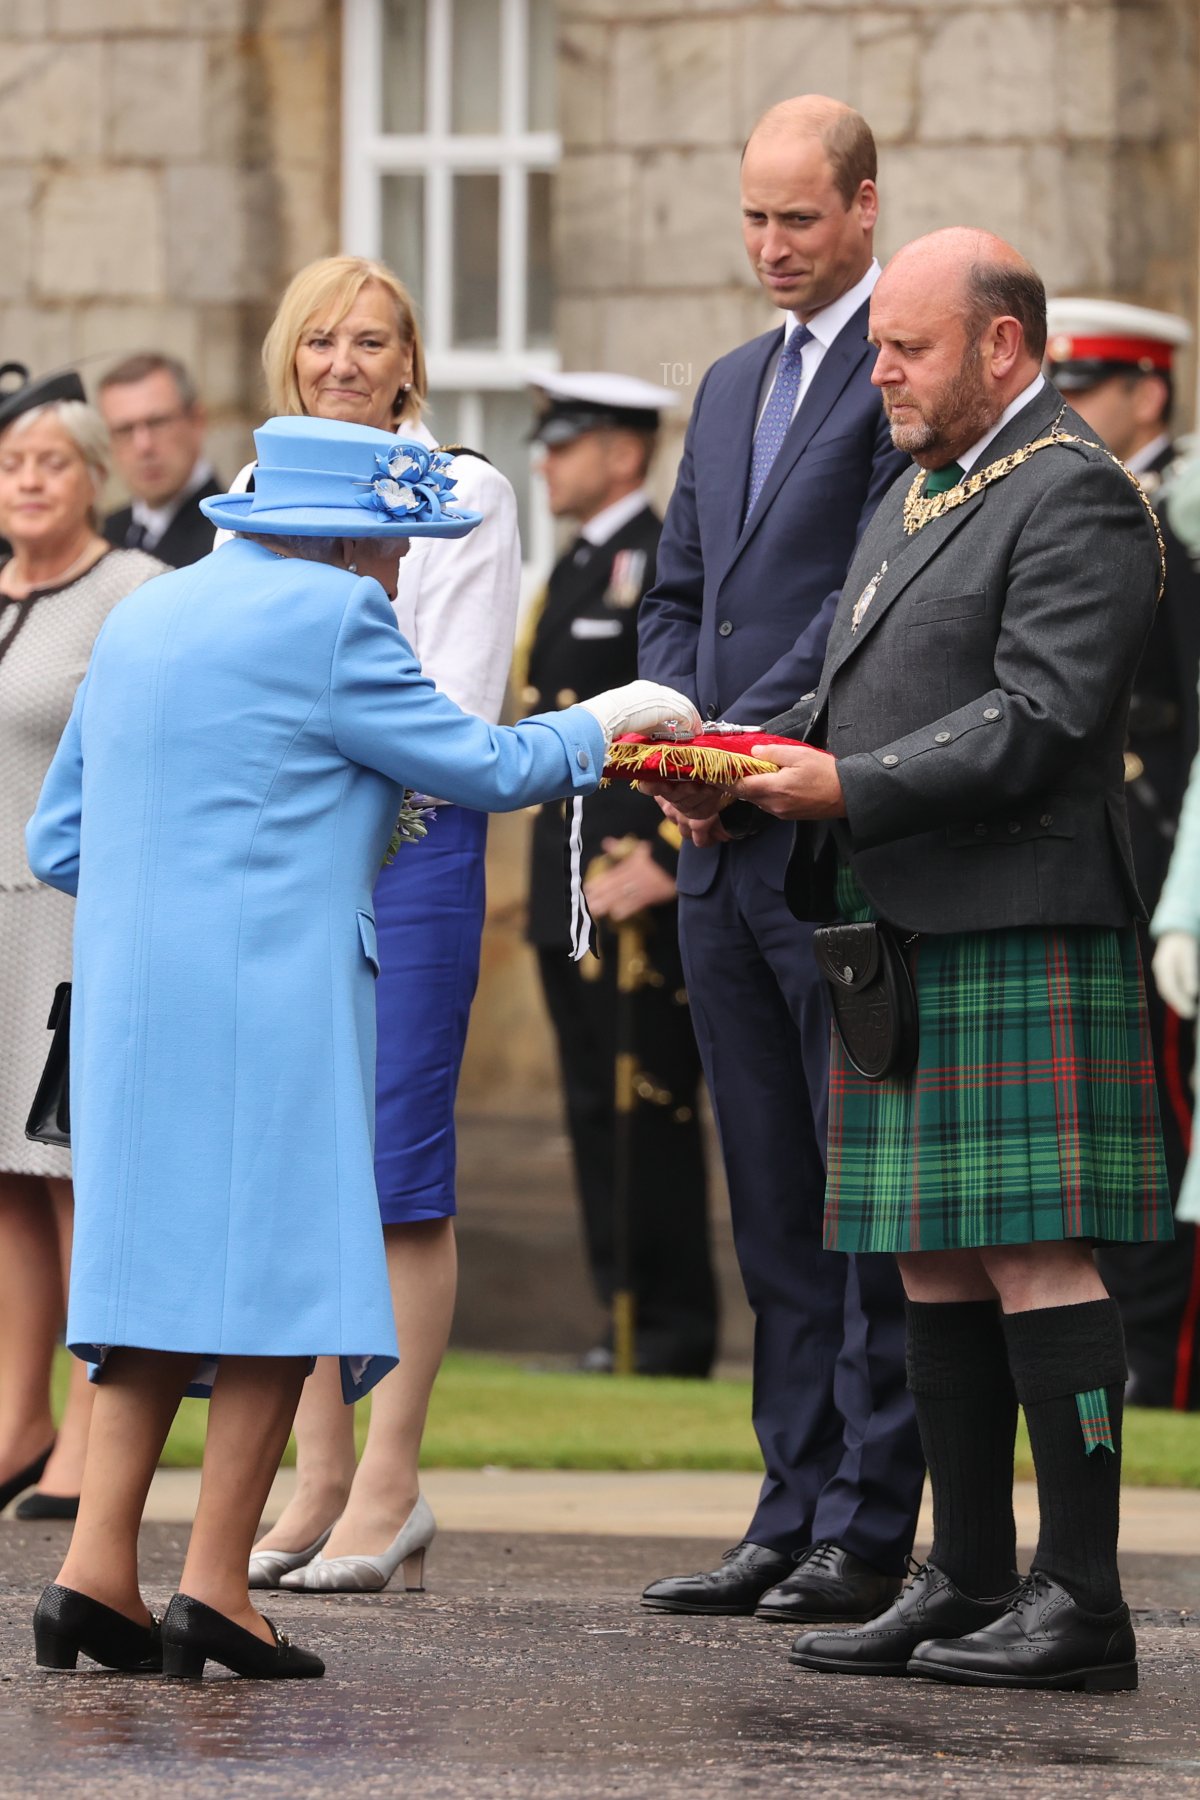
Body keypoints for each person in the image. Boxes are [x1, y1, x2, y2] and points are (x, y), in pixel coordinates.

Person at [24, 411, 697, 1680]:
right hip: (270, 999)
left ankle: (93, 1575)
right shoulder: (336, 618)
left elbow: (57, 845)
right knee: (287, 1291)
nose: (402, 572)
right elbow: (489, 766)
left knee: (147, 1287)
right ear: (339, 539)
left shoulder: (143, 616)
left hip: (128, 1006)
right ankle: (216, 1589)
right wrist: (620, 719)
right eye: (394, 546)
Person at [731, 227, 1170, 1691]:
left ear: (1002, 345)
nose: (881, 372)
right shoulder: (926, 491)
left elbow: (1041, 717)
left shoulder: (1078, 496)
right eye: (876, 347)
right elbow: (852, 684)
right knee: (932, 1256)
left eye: (906, 347)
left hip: (1024, 916)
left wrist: (844, 788)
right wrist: (744, 761)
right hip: (902, 920)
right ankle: (968, 1574)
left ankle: (1083, 1599)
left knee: (1037, 1252)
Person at [636, 95, 924, 1624]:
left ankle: (873, 1526)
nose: (769, 247)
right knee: (766, 1200)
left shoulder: (902, 372)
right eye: (752, 219)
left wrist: (735, 758)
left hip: (821, 846)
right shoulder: (733, 382)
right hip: (710, 851)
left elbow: (860, 603)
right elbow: (680, 591)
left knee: (854, 1199)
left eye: (797, 221)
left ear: (865, 208)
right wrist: (680, 750)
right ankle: (786, 1502)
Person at [217, 255, 525, 1596]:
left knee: (395, 1169)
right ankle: (319, 1472)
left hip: (408, 847)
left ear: (411, 363)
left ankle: (391, 1478)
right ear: (290, 360)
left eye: (372, 341)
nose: (344, 361)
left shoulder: (462, 491)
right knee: (306, 1166)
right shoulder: (264, 487)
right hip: (286, 857)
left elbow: (452, 708)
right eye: (319, 340)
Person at [523, 371, 717, 1378]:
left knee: (650, 1111)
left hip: (635, 886)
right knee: (596, 1116)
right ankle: (620, 1319)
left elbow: (683, 711)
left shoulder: (652, 561)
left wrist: (667, 855)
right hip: (571, 893)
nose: (545, 458)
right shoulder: (573, 567)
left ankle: (668, 1331)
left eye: (567, 440)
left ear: (625, 453)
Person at [0, 369, 166, 1527]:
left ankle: (89, 1424)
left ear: (95, 475)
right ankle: (19, 1417)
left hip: (73, 905)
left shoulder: (135, 590)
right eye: (11, 463)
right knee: (5, 1175)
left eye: (51, 461)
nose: (26, 481)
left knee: (70, 1169)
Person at [1045, 300, 1200, 1413]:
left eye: (1091, 388)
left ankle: (1162, 1351)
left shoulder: (1170, 517)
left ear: (1149, 393)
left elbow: (1182, 714)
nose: (1075, 410)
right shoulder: (1101, 504)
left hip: (1157, 850)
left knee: (1157, 1116)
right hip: (1107, 844)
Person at [98, 354, 221, 567]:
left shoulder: (231, 535)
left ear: (197, 421)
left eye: (157, 423)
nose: (143, 446)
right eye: (124, 430)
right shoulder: (103, 535)